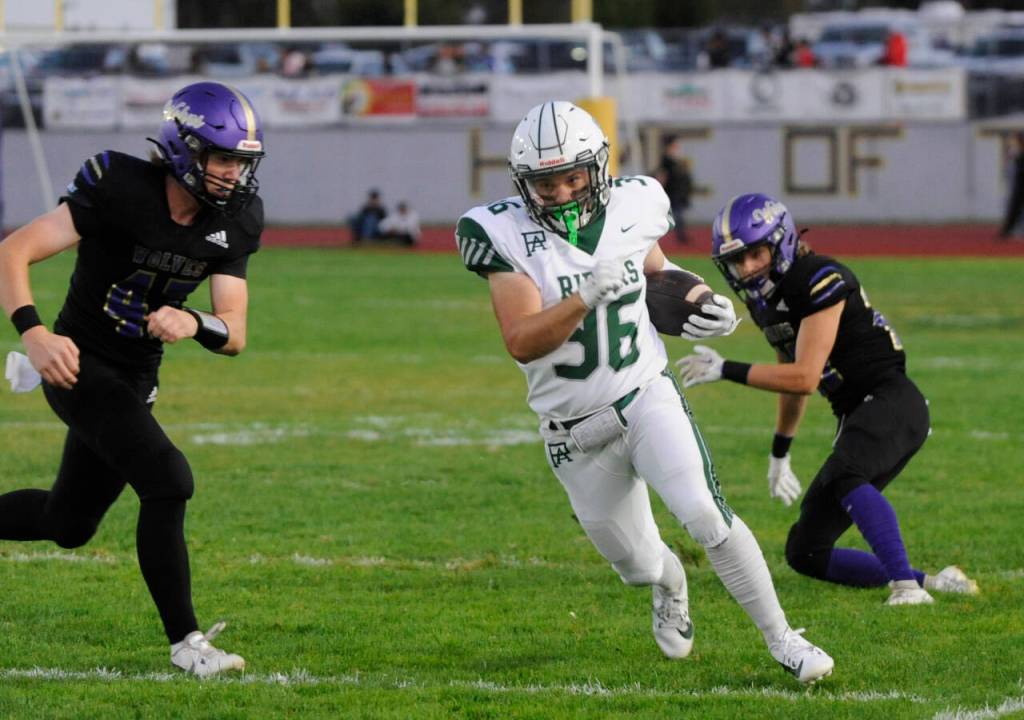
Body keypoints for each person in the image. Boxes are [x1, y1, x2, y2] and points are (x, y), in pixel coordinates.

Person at [455, 101, 834, 685]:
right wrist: (584, 296)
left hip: (644, 395)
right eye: (546, 183)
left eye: (572, 178)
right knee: (635, 565)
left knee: (705, 512)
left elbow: (657, 273)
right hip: (574, 431)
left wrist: (702, 299)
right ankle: (670, 583)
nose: (560, 193)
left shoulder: (637, 203)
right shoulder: (500, 232)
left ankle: (784, 639)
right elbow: (522, 341)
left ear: (598, 168)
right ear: (522, 182)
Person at [0, 81, 266, 676]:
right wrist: (34, 334)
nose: (233, 173)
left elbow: (235, 331)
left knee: (67, 524)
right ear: (183, 149)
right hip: (76, 363)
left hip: (135, 377)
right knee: (169, 480)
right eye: (222, 158)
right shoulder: (119, 185)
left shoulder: (238, 218)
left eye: (241, 161)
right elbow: (12, 251)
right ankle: (187, 645)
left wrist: (193, 320)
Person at [676, 193, 980, 605]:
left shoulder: (817, 277)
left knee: (846, 475)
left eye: (755, 254)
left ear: (781, 243)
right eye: (736, 260)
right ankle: (935, 582)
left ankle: (906, 589)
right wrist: (780, 453)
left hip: (891, 402)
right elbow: (790, 377)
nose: (746, 268)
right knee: (806, 551)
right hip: (858, 414)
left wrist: (726, 368)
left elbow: (804, 378)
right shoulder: (771, 301)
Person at [653, 136, 693, 245]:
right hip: (671, 194)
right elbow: (662, 177)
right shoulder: (666, 161)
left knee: (677, 216)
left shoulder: (677, 161)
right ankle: (680, 237)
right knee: (674, 216)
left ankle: (680, 236)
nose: (677, 148)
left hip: (678, 194)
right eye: (675, 146)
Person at [999, 131, 1024, 240]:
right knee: (1014, 208)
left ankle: (1011, 230)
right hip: (1018, 184)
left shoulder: (1018, 154)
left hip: (1019, 184)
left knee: (1016, 208)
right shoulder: (1015, 153)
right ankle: (1009, 230)